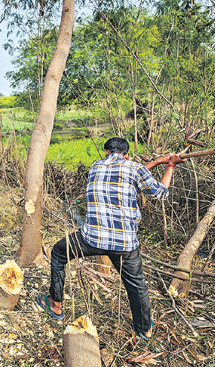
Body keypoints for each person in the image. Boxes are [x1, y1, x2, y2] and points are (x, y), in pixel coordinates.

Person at [36, 137, 184, 340]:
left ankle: (55, 304)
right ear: (127, 155)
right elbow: (160, 193)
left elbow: (131, 172)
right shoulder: (134, 168)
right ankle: (144, 329)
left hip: (91, 239)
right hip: (124, 245)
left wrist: (158, 161)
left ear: (106, 152)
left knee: (59, 253)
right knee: (136, 284)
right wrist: (170, 166)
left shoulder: (96, 167)